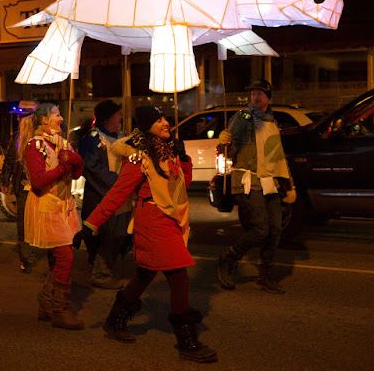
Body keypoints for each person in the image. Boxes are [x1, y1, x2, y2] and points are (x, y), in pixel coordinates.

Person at [73, 105, 217, 363]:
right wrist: (89, 225)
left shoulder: (168, 149)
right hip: (152, 223)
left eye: (164, 118)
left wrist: (183, 158)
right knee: (178, 275)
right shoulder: (138, 158)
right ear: (147, 126)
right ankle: (186, 340)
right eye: (158, 119)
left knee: (145, 274)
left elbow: (183, 182)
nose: (165, 123)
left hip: (171, 220)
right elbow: (117, 194)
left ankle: (115, 320)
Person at [217, 79, 296, 294]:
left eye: (259, 93)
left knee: (276, 229)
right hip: (250, 180)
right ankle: (229, 257)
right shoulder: (243, 118)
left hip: (271, 181)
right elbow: (227, 149)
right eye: (253, 93)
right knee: (260, 230)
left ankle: (265, 275)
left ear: (268, 97)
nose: (255, 97)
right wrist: (224, 141)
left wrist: (290, 186)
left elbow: (278, 155)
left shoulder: (272, 121)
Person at [17, 102, 84, 330]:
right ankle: (59, 310)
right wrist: (62, 167)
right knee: (65, 257)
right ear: (45, 120)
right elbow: (38, 182)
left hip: (63, 205)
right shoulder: (35, 145)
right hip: (46, 205)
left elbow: (77, 172)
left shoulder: (61, 143)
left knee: (61, 257)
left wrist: (74, 160)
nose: (61, 119)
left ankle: (46, 304)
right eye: (57, 115)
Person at [78, 100, 132, 289]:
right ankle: (100, 273)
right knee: (106, 235)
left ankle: (100, 269)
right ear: (108, 117)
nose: (121, 118)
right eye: (118, 114)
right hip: (101, 197)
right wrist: (118, 183)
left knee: (119, 235)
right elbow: (92, 168)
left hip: (119, 196)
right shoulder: (93, 139)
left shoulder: (121, 137)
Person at [0, 101, 38, 274]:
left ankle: (47, 253)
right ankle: (26, 258)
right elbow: (9, 160)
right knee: (23, 223)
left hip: (40, 187)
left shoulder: (41, 137)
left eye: (22, 116)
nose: (19, 119)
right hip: (23, 187)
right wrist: (5, 181)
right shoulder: (17, 138)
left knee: (41, 222)